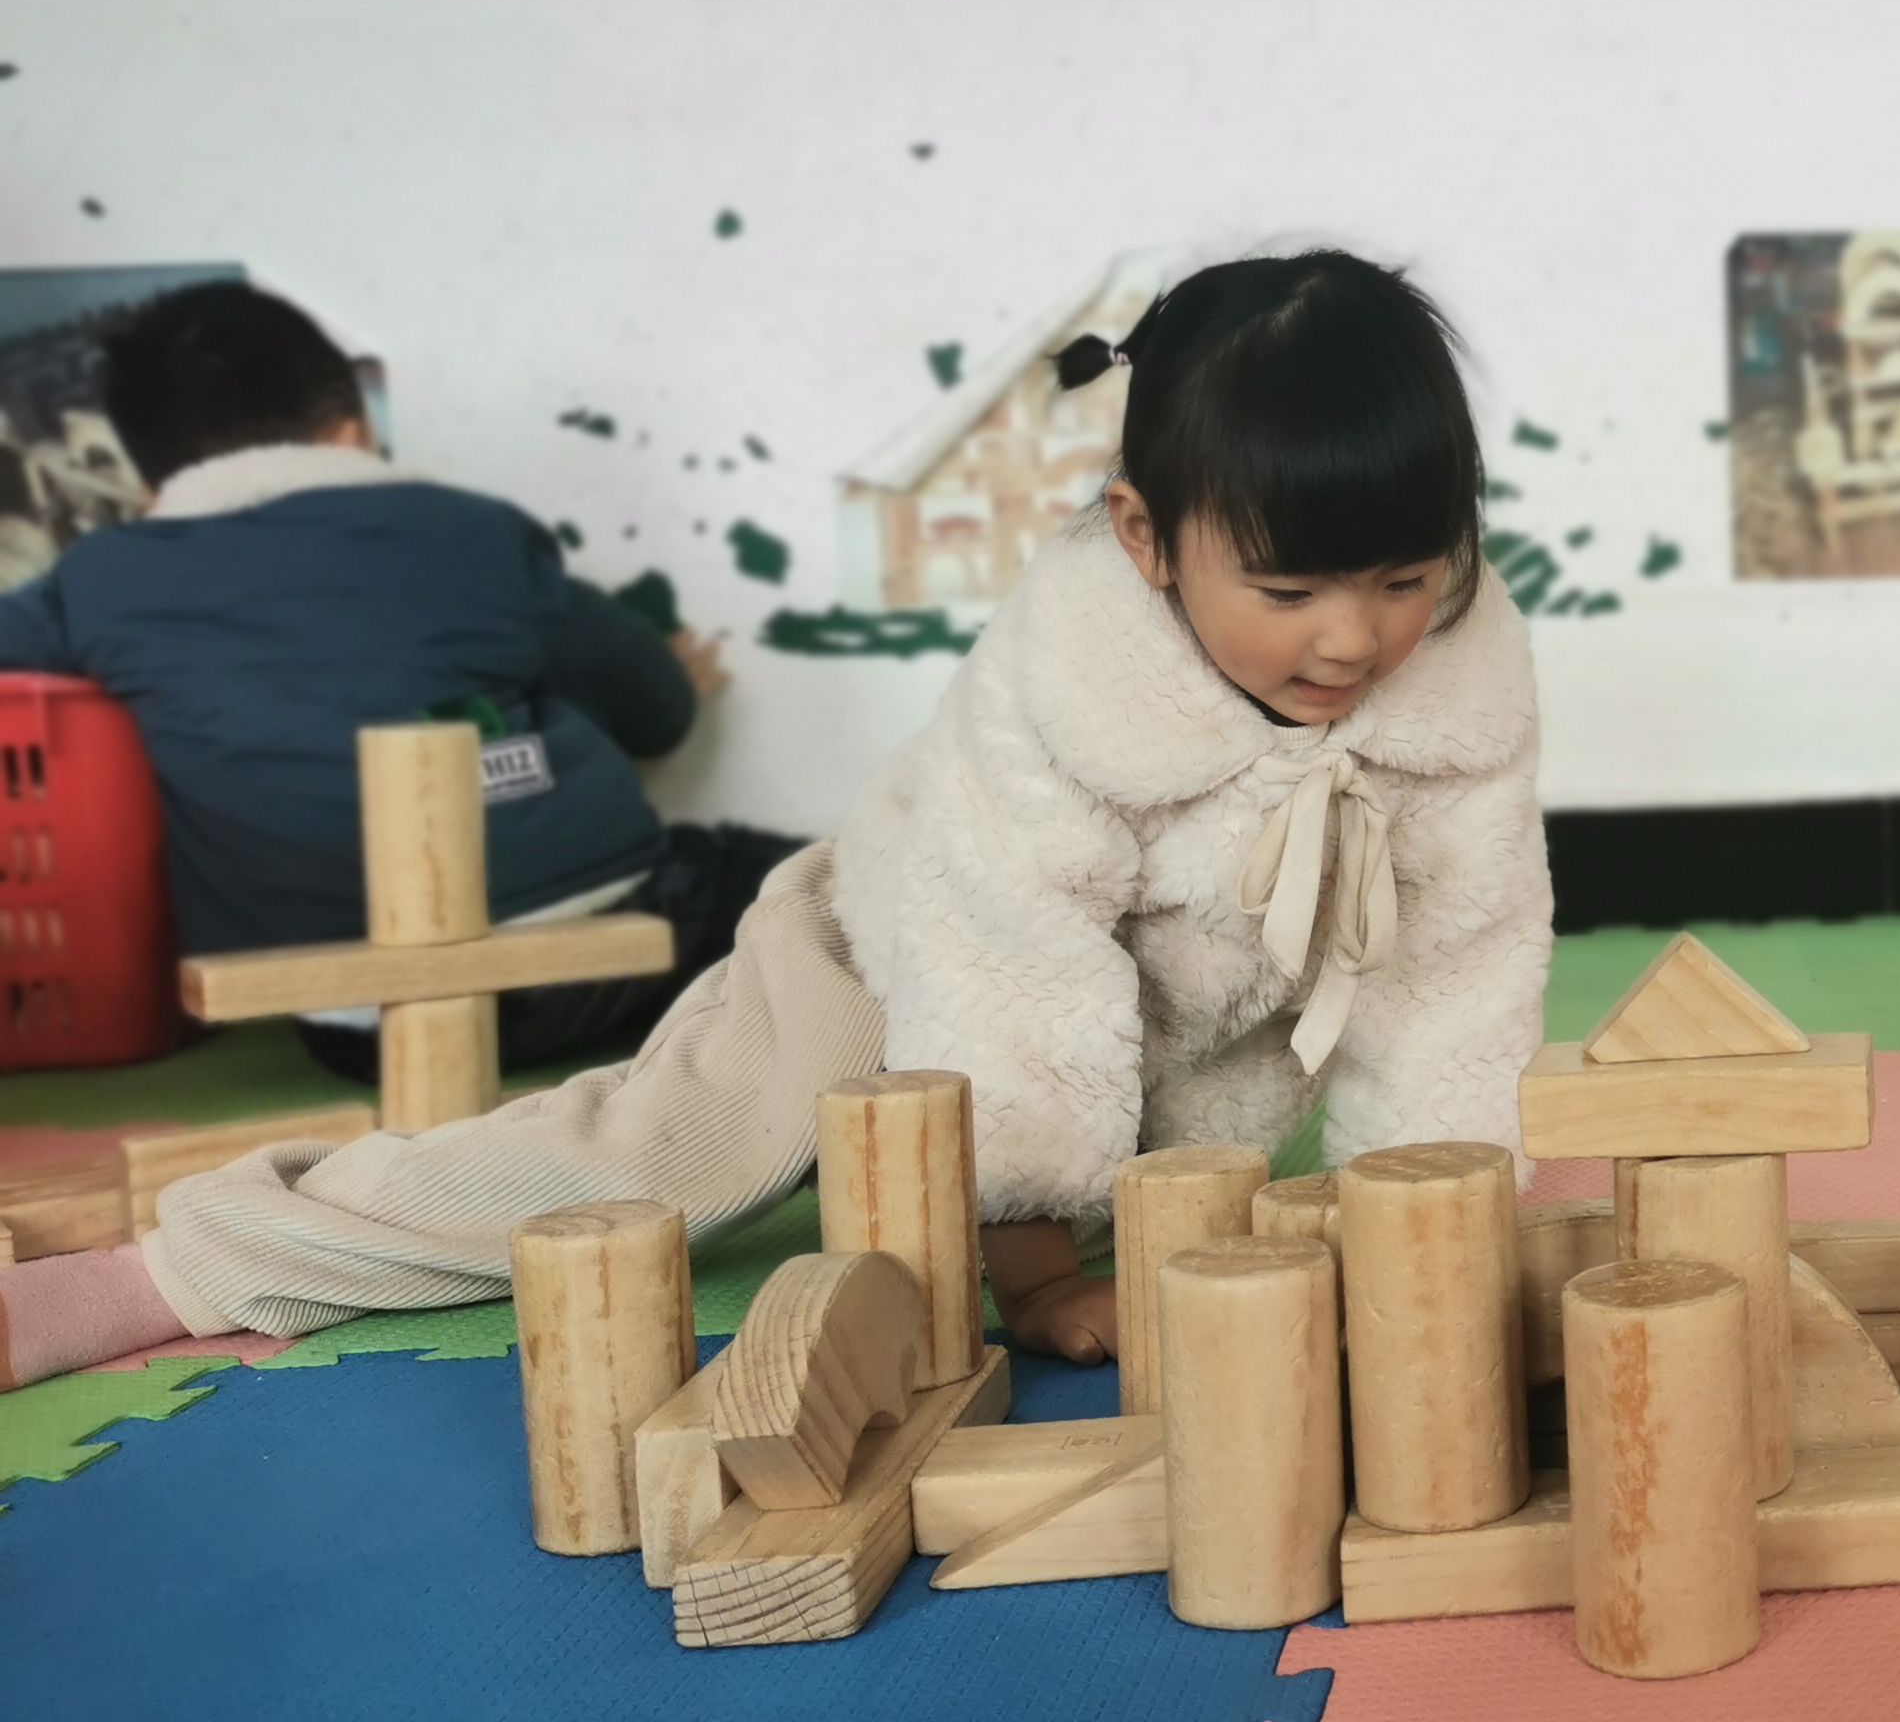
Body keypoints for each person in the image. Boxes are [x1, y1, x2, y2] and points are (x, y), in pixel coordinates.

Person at [0, 252, 1552, 1389]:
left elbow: (1458, 973)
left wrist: (1438, 1233)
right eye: (1287, 590)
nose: (1353, 638)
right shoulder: (1062, 686)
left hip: (1143, 1035)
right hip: (879, 959)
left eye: (1406, 580)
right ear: (1145, 539)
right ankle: (174, 1270)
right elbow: (1000, 963)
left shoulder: (1455, 701)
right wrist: (1032, 1274)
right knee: (640, 1167)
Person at [0, 282, 779, 1079]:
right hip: (599, 947)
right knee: (801, 883)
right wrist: (670, 676)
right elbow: (657, 711)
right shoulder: (466, 531)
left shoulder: (100, 581)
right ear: (354, 433)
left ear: (150, 488)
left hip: (352, 1020)